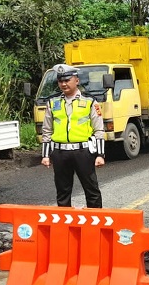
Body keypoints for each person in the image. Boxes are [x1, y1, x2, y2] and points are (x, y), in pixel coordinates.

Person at [40, 64, 105, 208]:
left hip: (83, 152)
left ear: (76, 80)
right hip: (60, 152)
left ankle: (95, 219)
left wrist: (100, 155)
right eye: (60, 81)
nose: (63, 84)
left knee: (91, 190)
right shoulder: (53, 102)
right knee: (62, 191)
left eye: (67, 80)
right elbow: (47, 130)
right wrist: (45, 155)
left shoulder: (90, 101)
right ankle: (65, 220)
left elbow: (99, 130)